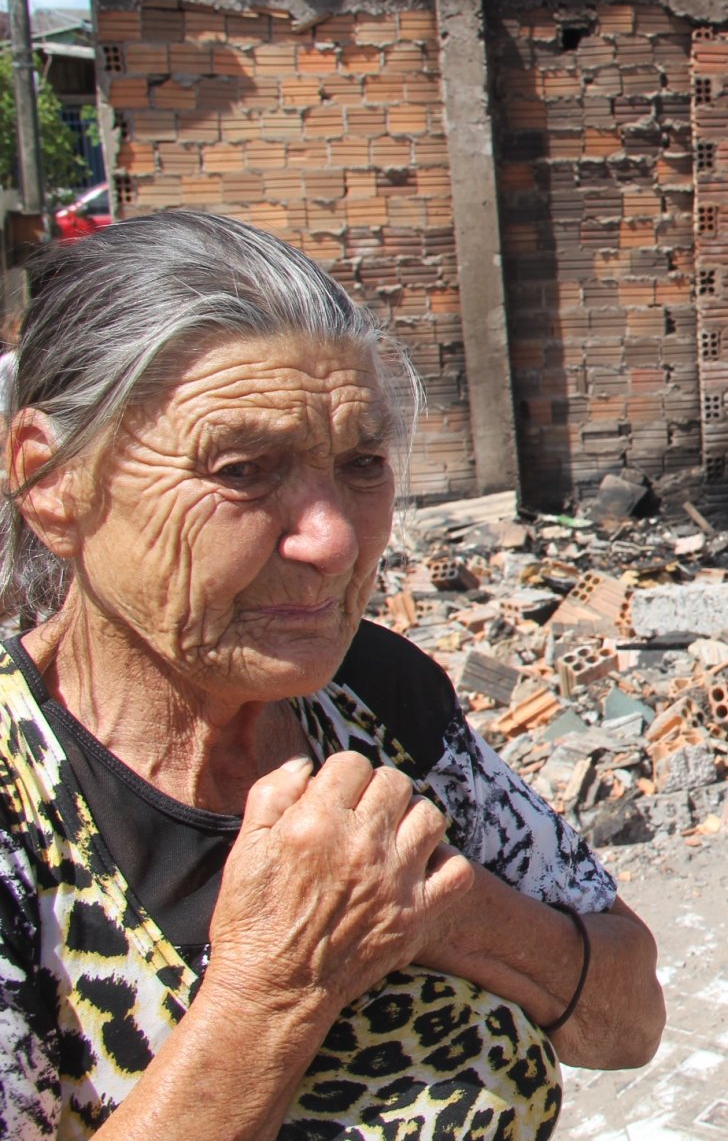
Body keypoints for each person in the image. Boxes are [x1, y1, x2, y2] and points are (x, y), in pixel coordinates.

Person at [0, 213, 665, 1139]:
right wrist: (275, 985)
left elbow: (629, 1016)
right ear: (52, 483)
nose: (337, 539)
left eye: (362, 465)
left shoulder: (373, 697)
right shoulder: (20, 813)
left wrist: (441, 908)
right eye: (242, 469)